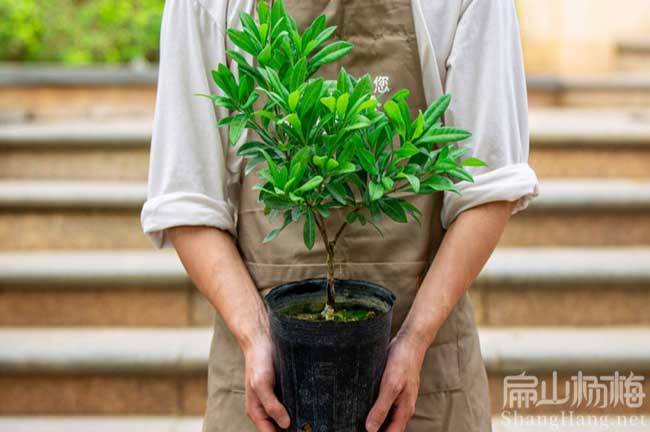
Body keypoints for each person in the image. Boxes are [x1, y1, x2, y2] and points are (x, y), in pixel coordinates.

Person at [141, 0, 539, 430]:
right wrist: (256, 337)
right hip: (267, 376)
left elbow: (488, 185)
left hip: (423, 372)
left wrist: (414, 340)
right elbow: (187, 196)